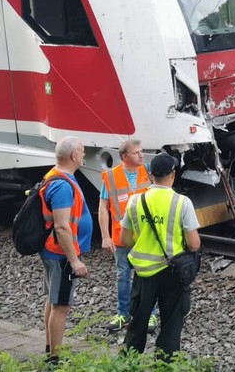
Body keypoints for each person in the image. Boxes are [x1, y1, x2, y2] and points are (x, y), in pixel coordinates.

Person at [121, 154, 200, 360]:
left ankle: (129, 363)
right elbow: (193, 244)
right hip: (173, 273)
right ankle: (165, 363)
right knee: (171, 325)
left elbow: (126, 240)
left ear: (149, 174)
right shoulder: (182, 203)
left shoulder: (135, 201)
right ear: (173, 174)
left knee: (138, 322)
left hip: (143, 273)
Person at [40, 136, 92, 366]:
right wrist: (74, 261)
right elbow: (61, 227)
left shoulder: (56, 176)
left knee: (53, 301)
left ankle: (50, 348)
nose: (83, 155)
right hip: (61, 255)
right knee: (61, 306)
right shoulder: (62, 185)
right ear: (73, 156)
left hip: (53, 251)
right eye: (82, 152)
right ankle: (54, 360)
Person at [98, 140, 157, 333]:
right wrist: (105, 236)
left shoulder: (148, 171)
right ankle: (124, 313)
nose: (141, 155)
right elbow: (103, 208)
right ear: (124, 157)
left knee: (148, 275)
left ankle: (151, 315)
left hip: (146, 236)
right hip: (122, 237)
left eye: (141, 151)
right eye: (136, 153)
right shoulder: (111, 177)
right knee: (123, 275)